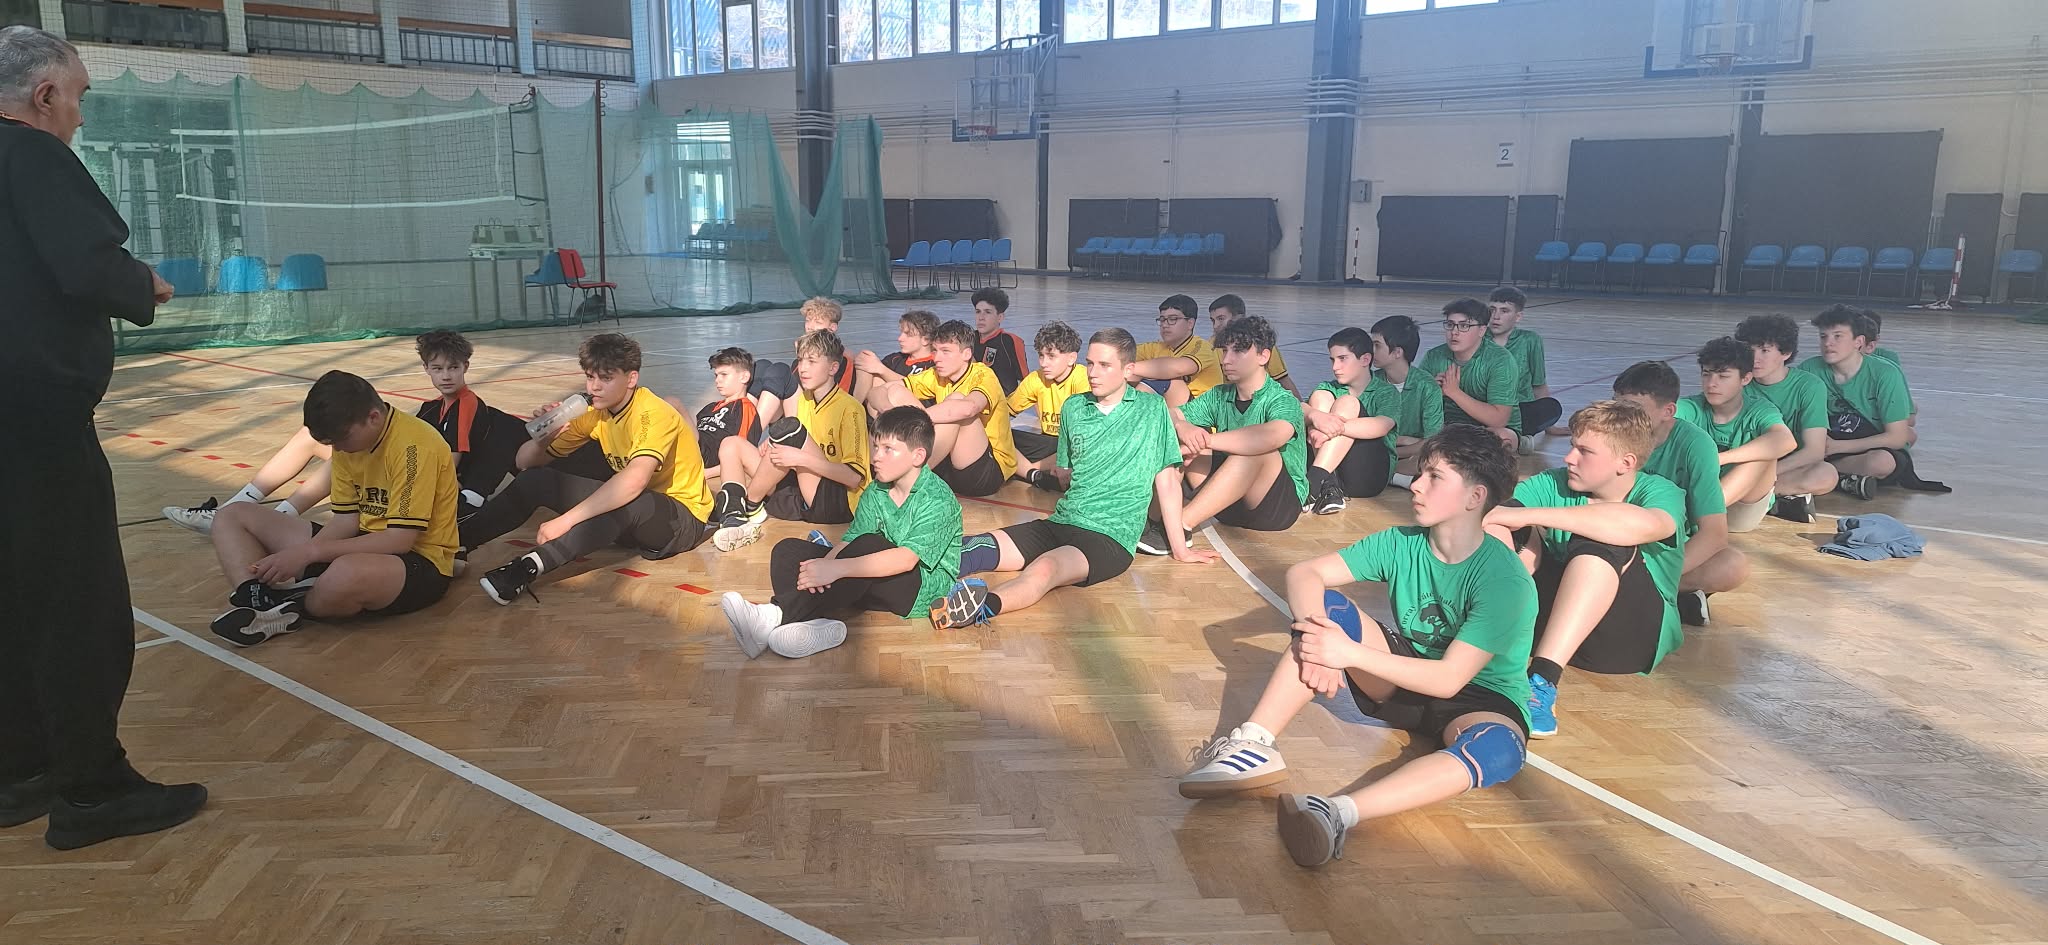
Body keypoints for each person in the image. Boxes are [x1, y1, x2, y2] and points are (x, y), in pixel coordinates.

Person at [0, 24, 204, 849]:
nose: (80, 115)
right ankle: (91, 789)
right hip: (39, 425)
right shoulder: (32, 152)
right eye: (78, 96)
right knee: (77, 604)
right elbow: (87, 266)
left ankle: (20, 769)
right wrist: (143, 283)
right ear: (45, 95)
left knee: (13, 597)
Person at [1178, 426, 1535, 869]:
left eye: (1435, 477)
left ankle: (1336, 813)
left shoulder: (1504, 580)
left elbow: (1449, 680)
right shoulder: (1402, 543)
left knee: (1499, 750)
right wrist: (1316, 641)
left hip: (1479, 697)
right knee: (1326, 611)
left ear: (1474, 497)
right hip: (1404, 676)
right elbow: (1304, 573)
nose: (1416, 485)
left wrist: (1344, 654)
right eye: (1421, 472)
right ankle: (1254, 745)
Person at [933, 328, 1215, 629]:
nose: (1093, 372)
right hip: (1063, 521)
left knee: (1045, 569)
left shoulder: (1152, 410)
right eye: (1090, 363)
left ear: (1128, 370)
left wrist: (1181, 549)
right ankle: (913, 582)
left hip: (1109, 537)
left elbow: (1167, 481)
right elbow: (1066, 473)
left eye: (1104, 365)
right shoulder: (1074, 407)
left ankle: (977, 608)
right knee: (977, 546)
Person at [164, 330, 561, 532]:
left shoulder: (468, 406)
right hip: (409, 474)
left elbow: (447, 462)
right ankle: (238, 508)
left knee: (344, 454)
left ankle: (267, 517)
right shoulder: (430, 408)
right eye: (438, 369)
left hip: (435, 492)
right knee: (313, 439)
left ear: (466, 368)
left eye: (453, 368)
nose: (446, 376)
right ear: (425, 370)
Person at [206, 369, 460, 642]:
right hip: (358, 543)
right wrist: (305, 555)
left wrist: (309, 553)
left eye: (342, 439)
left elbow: (399, 540)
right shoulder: (347, 444)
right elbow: (345, 520)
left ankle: (288, 606)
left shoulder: (415, 448)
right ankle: (257, 602)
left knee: (346, 574)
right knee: (231, 515)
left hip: (418, 561)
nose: (337, 450)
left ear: (374, 417)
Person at [460, 333, 714, 603]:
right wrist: (544, 438)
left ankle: (525, 568)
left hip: (681, 521)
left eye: (605, 378)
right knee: (538, 479)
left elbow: (635, 481)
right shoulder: (594, 413)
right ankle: (454, 544)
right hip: (631, 518)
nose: (594, 387)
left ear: (631, 379)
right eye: (590, 377)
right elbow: (523, 463)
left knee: (627, 495)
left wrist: (566, 520)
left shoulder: (653, 413)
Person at [1483, 400, 1685, 738]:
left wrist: (1530, 516)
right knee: (1503, 526)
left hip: (1625, 640)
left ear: (1626, 463)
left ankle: (1542, 682)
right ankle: (1483, 641)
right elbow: (1496, 518)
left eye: (1584, 451)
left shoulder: (1661, 491)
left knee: (1606, 538)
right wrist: (1522, 539)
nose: (1568, 458)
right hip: (1550, 621)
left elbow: (1648, 524)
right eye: (1572, 446)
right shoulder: (1554, 482)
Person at [721, 406, 962, 660]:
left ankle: (772, 616)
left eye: (888, 449)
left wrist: (836, 569)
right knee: (787, 551)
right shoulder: (876, 490)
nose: (876, 457)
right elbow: (850, 540)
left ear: (918, 456)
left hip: (918, 591)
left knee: (869, 544)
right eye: (876, 447)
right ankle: (813, 626)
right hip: (870, 578)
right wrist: (824, 567)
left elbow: (906, 559)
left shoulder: (938, 498)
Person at [1141, 315, 1308, 553]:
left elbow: (1274, 435)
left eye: (1238, 351)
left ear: (1263, 356)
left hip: (1275, 507)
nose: (1226, 360)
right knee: (1174, 435)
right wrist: (1182, 427)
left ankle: (1180, 526)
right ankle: (1152, 518)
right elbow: (1171, 414)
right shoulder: (1219, 394)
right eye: (1225, 351)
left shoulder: (1282, 399)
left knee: (1255, 453)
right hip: (1228, 504)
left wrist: (1205, 441)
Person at [711, 330, 871, 549]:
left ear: (833, 368)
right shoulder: (804, 400)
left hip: (838, 502)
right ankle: (733, 517)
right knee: (732, 444)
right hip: (801, 488)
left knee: (790, 429)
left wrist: (799, 457)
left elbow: (854, 478)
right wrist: (776, 446)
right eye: (801, 360)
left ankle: (749, 504)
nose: (802, 368)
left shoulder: (850, 408)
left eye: (812, 361)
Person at [1612, 361, 1743, 627]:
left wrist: (1660, 572)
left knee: (1732, 565)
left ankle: (1636, 590)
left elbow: (1714, 534)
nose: (1621, 416)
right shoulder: (1607, 435)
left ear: (1668, 411)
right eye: (1616, 405)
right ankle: (1666, 596)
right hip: (1615, 538)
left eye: (1633, 408)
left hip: (1667, 550)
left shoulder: (1696, 445)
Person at [876, 319, 1018, 498]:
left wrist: (913, 420)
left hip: (987, 471)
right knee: (896, 392)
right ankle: (901, 466)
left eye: (946, 351)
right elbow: (880, 391)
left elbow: (969, 408)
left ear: (966, 354)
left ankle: (911, 477)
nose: (936, 358)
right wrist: (887, 410)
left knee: (955, 403)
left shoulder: (984, 375)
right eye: (935, 350)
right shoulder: (936, 374)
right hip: (949, 463)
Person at [1797, 305, 1922, 499]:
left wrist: (1838, 447)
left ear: (1859, 342)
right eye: (1823, 337)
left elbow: (1897, 437)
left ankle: (1822, 473)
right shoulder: (1809, 369)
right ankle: (1842, 479)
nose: (1828, 343)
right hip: (1823, 440)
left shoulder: (1885, 373)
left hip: (1865, 445)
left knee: (1882, 462)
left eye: (1838, 336)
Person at [1677, 337, 1795, 534]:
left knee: (1763, 456)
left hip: (1739, 509)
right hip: (1693, 495)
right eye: (1706, 374)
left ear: (1746, 379)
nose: (1712, 384)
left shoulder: (1759, 409)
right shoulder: (1689, 407)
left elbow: (1785, 441)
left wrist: (1719, 458)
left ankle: (1691, 517)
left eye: (1723, 376)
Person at [1733, 314, 1835, 522]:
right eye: (1750, 350)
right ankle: (1776, 501)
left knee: (1826, 475)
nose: (1755, 358)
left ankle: (1754, 499)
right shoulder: (1736, 382)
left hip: (1787, 467)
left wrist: (1767, 474)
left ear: (1786, 353)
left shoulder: (1809, 386)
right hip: (1743, 464)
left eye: (1765, 350)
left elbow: (1814, 451)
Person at [1302, 327, 1398, 515]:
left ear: (1365, 359)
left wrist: (1328, 429)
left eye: (1342, 359)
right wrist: (1316, 417)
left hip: (1369, 475)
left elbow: (1382, 426)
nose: (1335, 367)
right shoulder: (1327, 387)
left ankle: (1314, 482)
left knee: (1348, 402)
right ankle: (1328, 487)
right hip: (1336, 475)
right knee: (1320, 397)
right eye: (1332, 360)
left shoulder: (1385, 391)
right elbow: (1299, 409)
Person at [1417, 298, 1524, 449]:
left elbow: (1498, 420)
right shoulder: (1434, 356)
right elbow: (1413, 406)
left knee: (1501, 438)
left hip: (1487, 429)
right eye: (1450, 325)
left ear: (1482, 330)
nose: (1454, 332)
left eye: (1464, 326)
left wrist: (1454, 392)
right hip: (1446, 425)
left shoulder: (1500, 360)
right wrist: (1432, 393)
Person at [1008, 320, 1089, 491]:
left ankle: (1028, 471)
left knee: (1083, 447)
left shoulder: (1083, 379)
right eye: (1041, 356)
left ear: (1071, 358)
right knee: (999, 435)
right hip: (1047, 444)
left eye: (1051, 356)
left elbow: (1087, 434)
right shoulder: (1036, 378)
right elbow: (1005, 412)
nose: (1044, 363)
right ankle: (1037, 474)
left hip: (1074, 444)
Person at [749, 297, 850, 428]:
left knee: (779, 370)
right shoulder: (798, 361)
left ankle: (752, 433)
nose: (810, 326)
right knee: (761, 366)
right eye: (808, 320)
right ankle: (744, 425)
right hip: (792, 410)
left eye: (818, 322)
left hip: (815, 415)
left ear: (832, 327)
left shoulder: (836, 359)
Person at [1486, 286, 1567, 445]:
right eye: (1492, 310)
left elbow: (1539, 384)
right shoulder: (1478, 338)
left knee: (1551, 408)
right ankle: (1513, 437)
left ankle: (1509, 434)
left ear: (1518, 316)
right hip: (1485, 408)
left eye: (1504, 311)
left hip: (1519, 408)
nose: (1496, 316)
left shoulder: (1530, 340)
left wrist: (1549, 426)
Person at [1371, 315, 1445, 483]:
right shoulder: (1372, 381)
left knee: (1434, 458)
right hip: (1378, 450)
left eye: (1377, 345)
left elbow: (1432, 440)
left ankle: (1389, 475)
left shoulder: (1427, 386)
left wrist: (1395, 450)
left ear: (1397, 352)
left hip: (1408, 454)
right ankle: (1399, 479)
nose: (1371, 350)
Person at [1190, 294, 1300, 399]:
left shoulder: (1260, 343)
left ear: (1239, 317)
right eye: (1213, 320)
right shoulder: (1210, 346)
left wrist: (1300, 406)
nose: (1215, 326)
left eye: (1221, 319)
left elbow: (1282, 380)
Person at [1130, 294, 1216, 407]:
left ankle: (1130, 414)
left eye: (1172, 319)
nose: (1165, 325)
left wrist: (1127, 368)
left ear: (1190, 323)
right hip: (1175, 408)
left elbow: (1178, 368)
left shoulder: (1202, 347)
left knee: (1166, 378)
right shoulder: (1154, 347)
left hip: (1204, 411)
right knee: (1126, 376)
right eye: (1162, 320)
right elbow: (1119, 355)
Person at [696, 347, 762, 480]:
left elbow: (741, 453)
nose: (717, 380)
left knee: (674, 403)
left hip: (706, 458)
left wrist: (707, 473)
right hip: (693, 449)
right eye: (716, 375)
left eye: (724, 375)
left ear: (744, 377)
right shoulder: (709, 408)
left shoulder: (744, 408)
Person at [853, 309, 939, 411]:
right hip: (879, 408)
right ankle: (852, 409)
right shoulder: (895, 359)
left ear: (926, 340)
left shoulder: (935, 365)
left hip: (915, 412)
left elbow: (915, 388)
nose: (900, 338)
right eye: (901, 333)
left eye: (908, 334)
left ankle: (853, 411)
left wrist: (882, 369)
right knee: (867, 364)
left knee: (893, 388)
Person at [972, 287, 1030, 394]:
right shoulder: (968, 338)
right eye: (978, 312)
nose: (981, 317)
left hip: (1004, 401)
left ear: (1000, 317)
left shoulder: (1010, 341)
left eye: (987, 312)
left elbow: (1026, 381)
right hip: (972, 399)